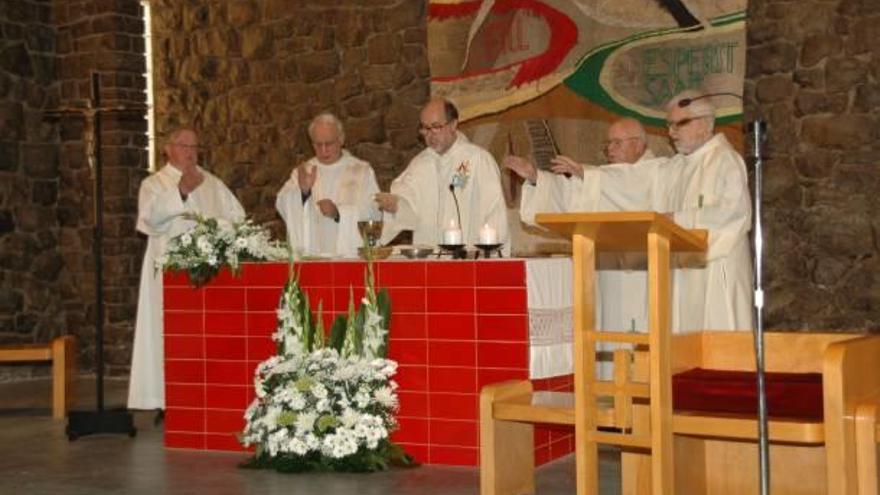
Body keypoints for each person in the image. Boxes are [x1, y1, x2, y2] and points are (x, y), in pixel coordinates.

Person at [509, 92, 754, 333]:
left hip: (717, 273)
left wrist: (678, 220)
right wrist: (547, 178)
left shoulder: (725, 160)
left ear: (704, 122)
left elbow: (734, 213)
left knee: (720, 345)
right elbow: (630, 182)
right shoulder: (675, 167)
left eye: (678, 124)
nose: (671, 132)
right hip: (685, 274)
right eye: (669, 125)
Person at [129, 128, 245, 411]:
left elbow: (238, 218)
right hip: (171, 274)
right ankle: (170, 400)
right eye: (183, 145)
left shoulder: (213, 183)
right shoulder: (154, 184)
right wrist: (181, 191)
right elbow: (149, 221)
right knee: (171, 336)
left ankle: (207, 393)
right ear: (167, 149)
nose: (190, 152)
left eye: (194, 146)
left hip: (210, 275)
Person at [505, 117, 657, 334]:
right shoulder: (602, 179)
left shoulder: (656, 172)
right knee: (608, 336)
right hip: (606, 272)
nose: (610, 149)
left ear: (638, 144)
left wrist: (585, 174)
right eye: (608, 144)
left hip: (645, 274)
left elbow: (630, 185)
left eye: (617, 143)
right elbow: (570, 196)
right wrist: (536, 177)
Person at [376, 98, 509, 251]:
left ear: (453, 125)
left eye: (436, 127)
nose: (430, 135)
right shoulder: (420, 164)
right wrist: (396, 206)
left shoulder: (478, 160)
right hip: (430, 260)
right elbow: (410, 210)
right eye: (425, 128)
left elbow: (495, 213)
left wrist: (488, 258)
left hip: (469, 259)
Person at [276, 113, 380, 257]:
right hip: (313, 255)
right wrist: (303, 192)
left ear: (341, 139)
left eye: (329, 143)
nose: (323, 150)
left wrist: (339, 213)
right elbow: (282, 204)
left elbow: (374, 213)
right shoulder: (303, 172)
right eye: (318, 144)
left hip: (349, 257)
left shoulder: (362, 171)